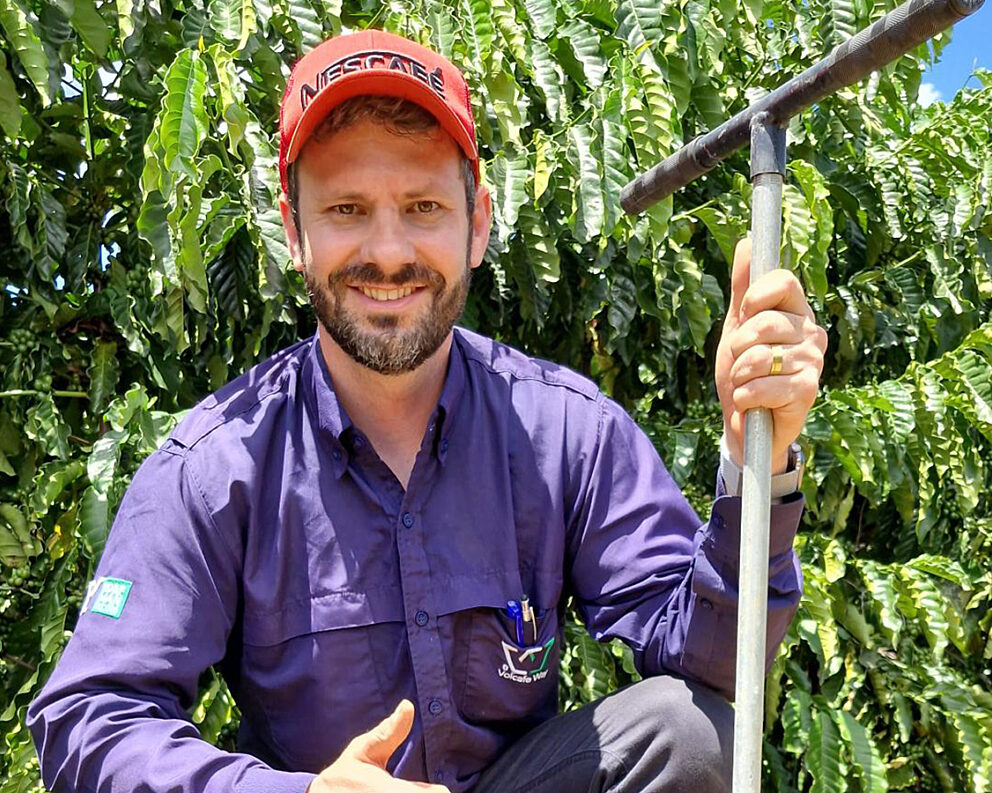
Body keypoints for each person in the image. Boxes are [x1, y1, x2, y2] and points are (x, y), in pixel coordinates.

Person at [27, 29, 827, 793]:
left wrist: (755, 453)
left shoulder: (563, 431)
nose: (387, 251)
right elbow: (87, 719)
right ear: (294, 231)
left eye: (422, 207)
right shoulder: (215, 467)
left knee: (692, 734)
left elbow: (714, 660)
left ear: (476, 224)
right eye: (345, 209)